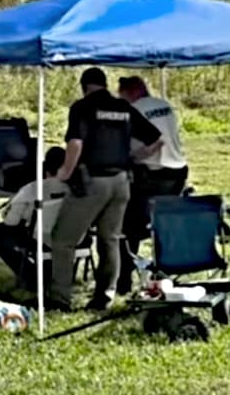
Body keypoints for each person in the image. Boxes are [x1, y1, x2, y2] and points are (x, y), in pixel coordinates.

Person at [49, 67, 162, 311]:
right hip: (122, 182)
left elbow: (76, 143)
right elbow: (156, 139)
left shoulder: (81, 107)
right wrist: (133, 156)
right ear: (104, 84)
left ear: (84, 86)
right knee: (110, 240)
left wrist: (65, 173)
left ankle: (59, 298)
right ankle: (104, 296)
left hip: (93, 181)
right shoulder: (124, 108)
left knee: (63, 240)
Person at [117, 75, 187, 294]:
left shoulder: (134, 109)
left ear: (130, 92)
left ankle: (124, 278)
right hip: (178, 171)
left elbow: (153, 142)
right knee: (163, 225)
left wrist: (131, 157)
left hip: (152, 172)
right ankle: (164, 270)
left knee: (128, 227)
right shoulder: (164, 105)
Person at [0, 147, 70, 286]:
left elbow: (11, 222)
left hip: (40, 239)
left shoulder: (32, 189)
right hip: (73, 237)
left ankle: (30, 275)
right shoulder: (77, 189)